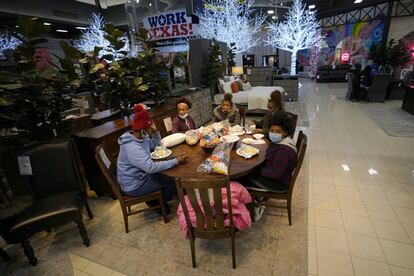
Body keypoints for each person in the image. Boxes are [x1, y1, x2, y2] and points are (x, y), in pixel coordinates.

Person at [117, 104, 188, 214]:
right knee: (173, 181)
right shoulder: (132, 147)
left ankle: (160, 199)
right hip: (135, 185)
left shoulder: (141, 137)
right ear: (142, 129)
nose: (152, 128)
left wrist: (155, 133)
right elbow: (150, 168)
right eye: (150, 127)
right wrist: (175, 161)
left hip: (143, 176)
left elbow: (155, 146)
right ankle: (158, 201)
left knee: (171, 175)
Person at [241, 111, 298, 221]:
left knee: (243, 178)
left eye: (278, 131)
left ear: (285, 132)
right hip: (280, 177)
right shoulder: (283, 142)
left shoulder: (283, 151)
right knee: (250, 171)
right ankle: (258, 198)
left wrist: (258, 169)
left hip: (279, 183)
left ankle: (253, 209)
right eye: (272, 130)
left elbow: (275, 174)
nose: (273, 133)